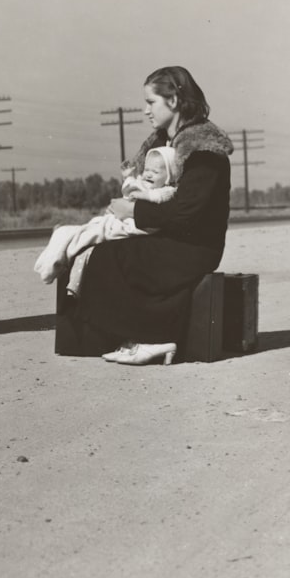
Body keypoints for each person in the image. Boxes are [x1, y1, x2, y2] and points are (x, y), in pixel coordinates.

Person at [54, 66, 235, 365]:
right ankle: (137, 334)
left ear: (173, 100)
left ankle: (154, 337)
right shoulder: (163, 145)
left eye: (151, 102)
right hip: (168, 239)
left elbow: (186, 213)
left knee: (109, 257)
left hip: (195, 248)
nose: (145, 111)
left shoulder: (204, 150)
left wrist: (133, 211)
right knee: (95, 253)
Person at [33, 146, 180, 295]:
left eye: (155, 172)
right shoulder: (146, 186)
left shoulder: (166, 191)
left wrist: (137, 196)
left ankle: (56, 261)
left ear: (169, 176)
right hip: (123, 222)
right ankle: (56, 256)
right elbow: (130, 188)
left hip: (130, 227)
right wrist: (129, 178)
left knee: (87, 235)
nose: (148, 175)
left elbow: (155, 196)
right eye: (147, 170)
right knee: (82, 233)